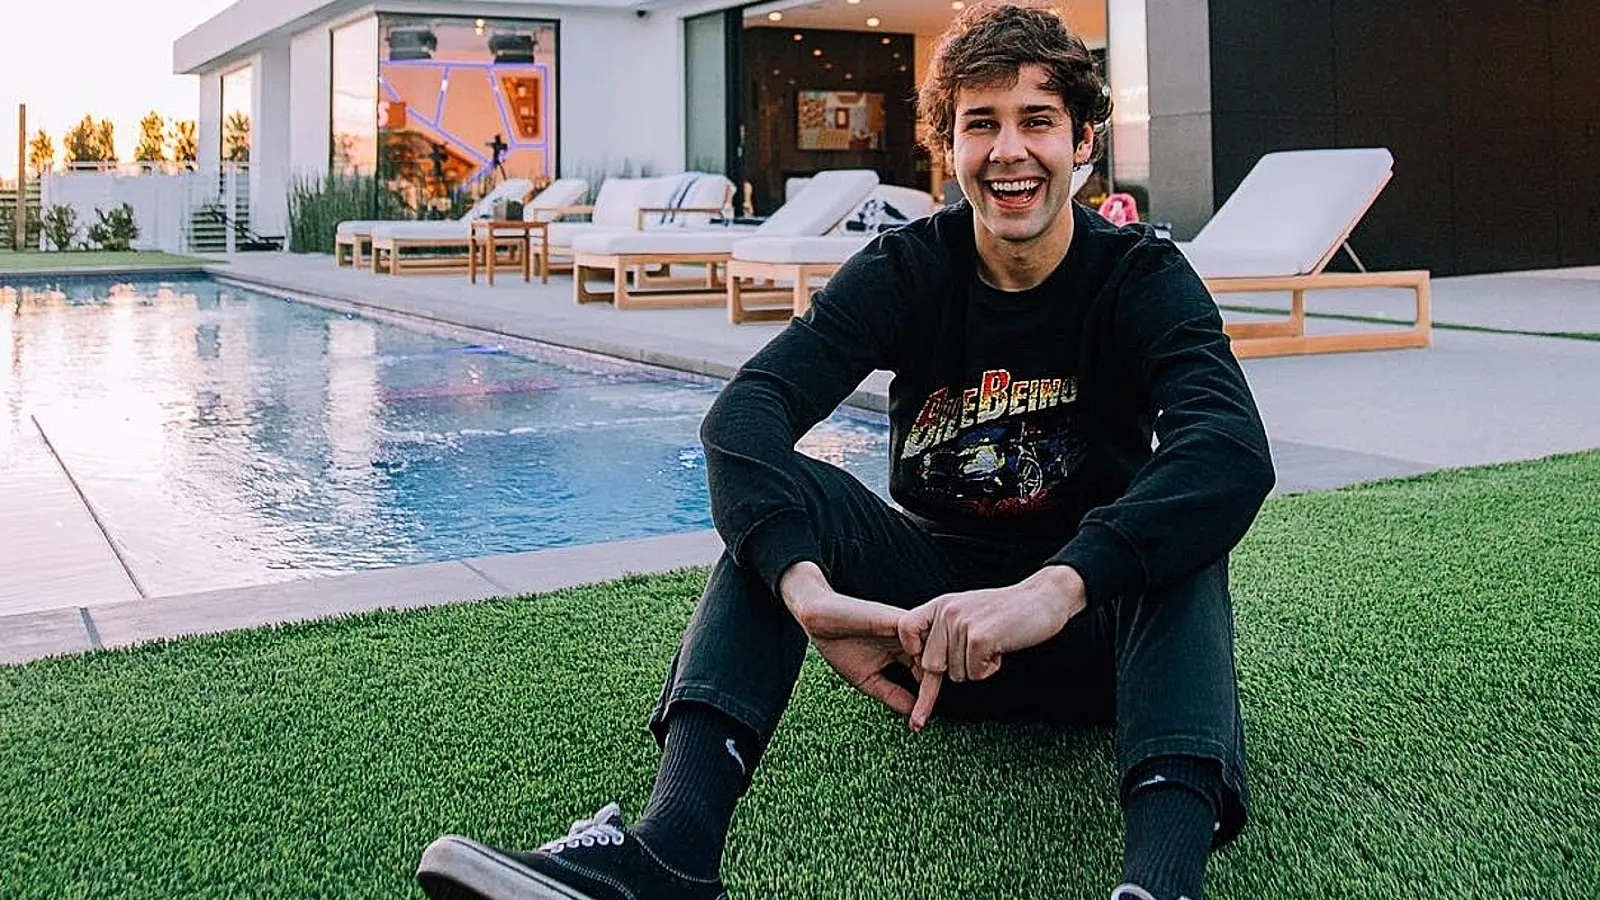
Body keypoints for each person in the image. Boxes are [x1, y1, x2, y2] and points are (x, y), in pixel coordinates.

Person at [414, 2, 1275, 899]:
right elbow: (747, 414)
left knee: (1182, 529)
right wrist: (808, 592)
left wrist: (1056, 587)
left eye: (1037, 122)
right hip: (928, 642)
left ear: (1082, 141)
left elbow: (1230, 449)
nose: (1009, 151)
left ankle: (1159, 884)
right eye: (981, 124)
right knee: (777, 502)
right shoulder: (909, 267)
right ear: (950, 148)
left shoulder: (1139, 275)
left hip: (1097, 645)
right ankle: (672, 851)